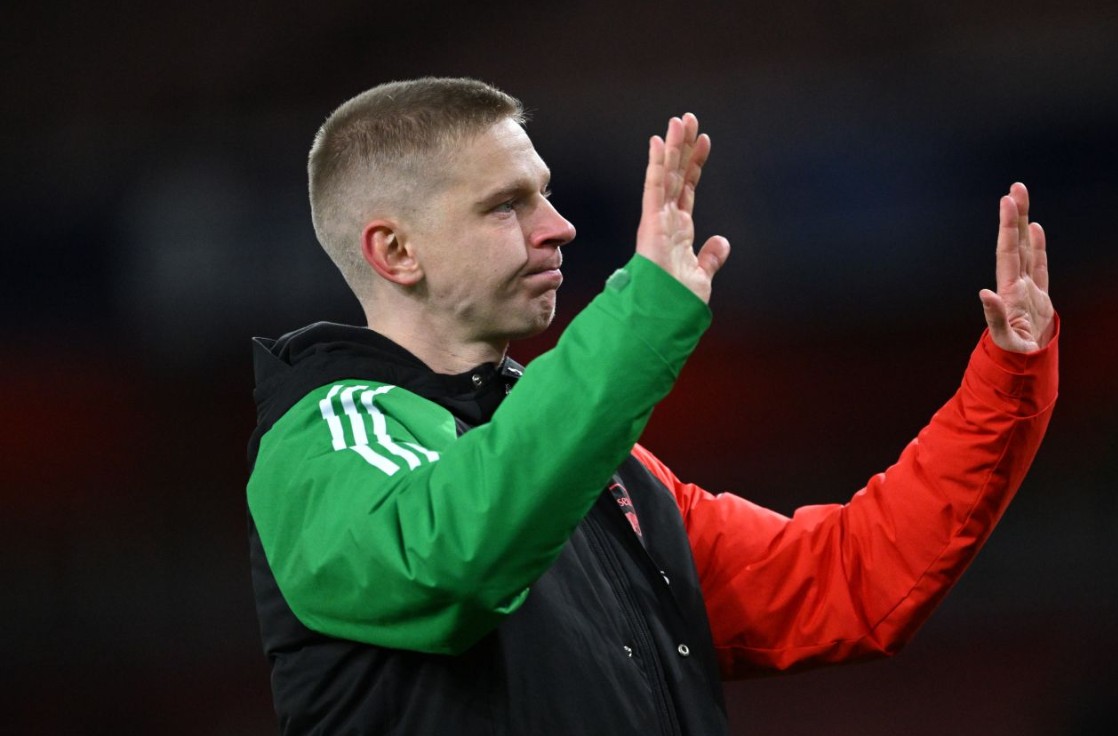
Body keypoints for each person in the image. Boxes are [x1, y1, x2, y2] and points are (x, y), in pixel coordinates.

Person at [246, 77, 1058, 735]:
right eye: (505, 205)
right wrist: (640, 318)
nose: (560, 227)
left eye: (546, 195)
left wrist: (1007, 383)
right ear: (395, 251)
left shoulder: (604, 472)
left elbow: (846, 581)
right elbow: (450, 561)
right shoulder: (326, 439)